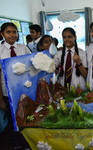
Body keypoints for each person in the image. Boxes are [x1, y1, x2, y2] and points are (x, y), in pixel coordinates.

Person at [0, 22, 31, 150]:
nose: (12, 35)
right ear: (2, 34)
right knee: (14, 122)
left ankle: (28, 144)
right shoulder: (0, 51)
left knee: (27, 119)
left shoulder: (23, 48)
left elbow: (32, 66)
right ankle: (17, 145)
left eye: (14, 32)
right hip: (8, 93)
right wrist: (0, 99)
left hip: (25, 91)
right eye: (8, 32)